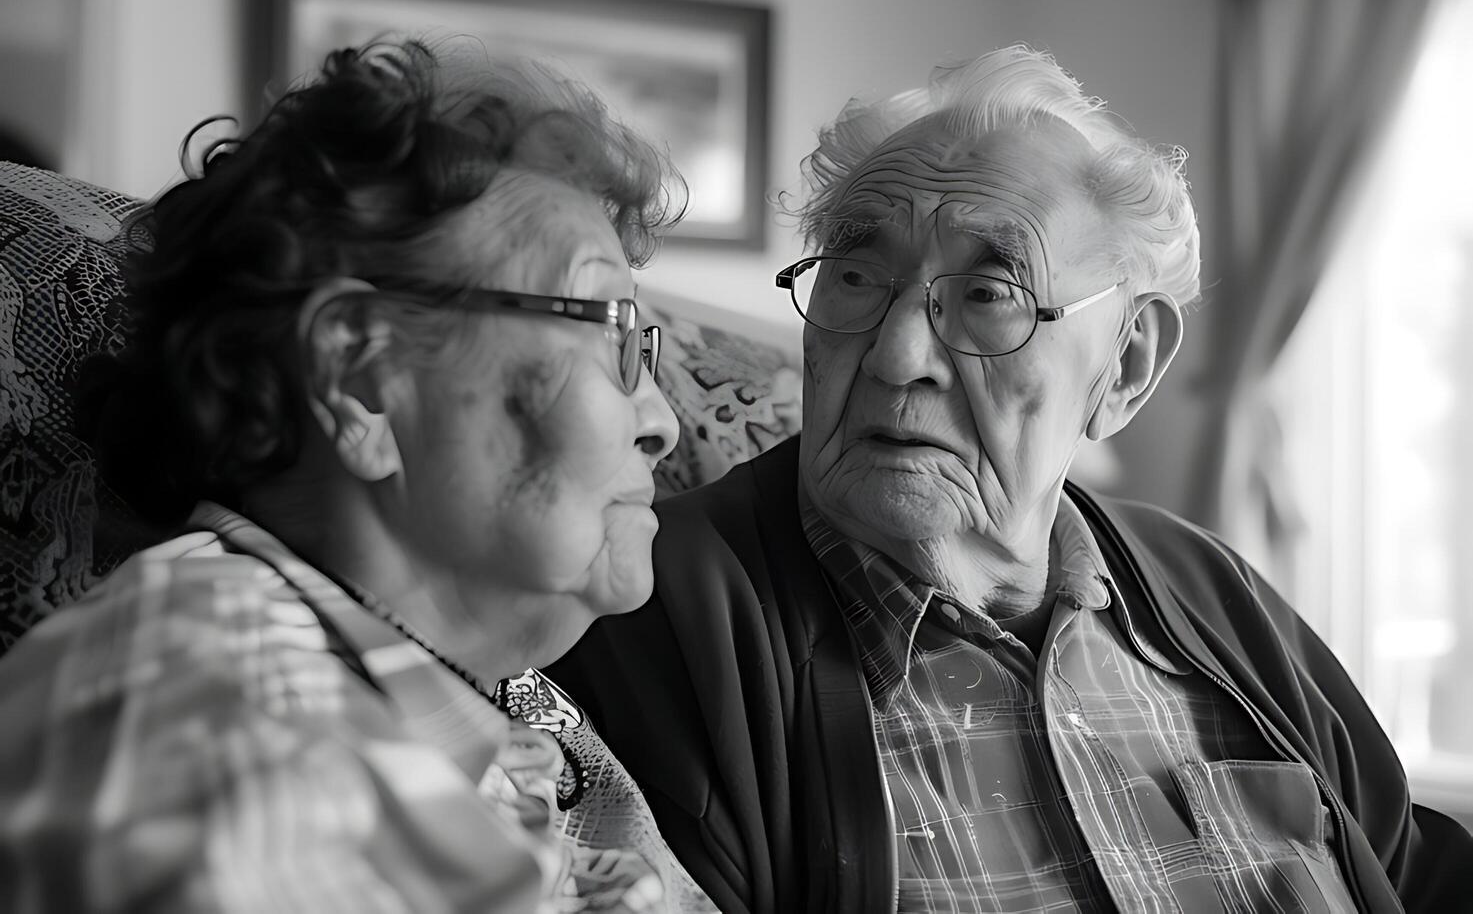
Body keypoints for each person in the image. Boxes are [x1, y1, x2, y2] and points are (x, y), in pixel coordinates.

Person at [551, 45, 1473, 913]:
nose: (896, 355)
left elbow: (1407, 870)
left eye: (989, 295)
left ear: (1124, 366)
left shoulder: (1209, 592)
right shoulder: (655, 608)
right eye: (855, 277)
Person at [0, 39, 716, 913]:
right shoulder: (216, 719)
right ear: (362, 380)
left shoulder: (485, 699)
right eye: (610, 337)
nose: (661, 422)